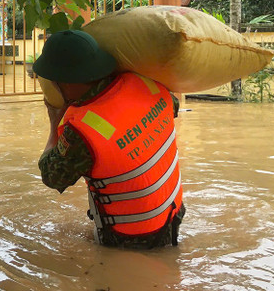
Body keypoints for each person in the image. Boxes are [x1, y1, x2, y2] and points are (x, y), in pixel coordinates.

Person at [33, 29, 184, 249]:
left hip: (127, 240)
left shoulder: (80, 130)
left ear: (64, 83)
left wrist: (55, 122)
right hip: (172, 216)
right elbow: (171, 109)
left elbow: (52, 177)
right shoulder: (148, 84)